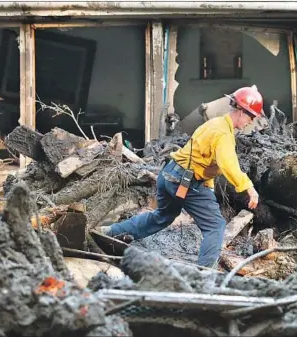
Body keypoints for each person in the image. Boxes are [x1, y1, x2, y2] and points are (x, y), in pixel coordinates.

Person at [101, 85, 264, 268]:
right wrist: (249, 188)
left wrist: (208, 186)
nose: (251, 121)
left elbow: (202, 157)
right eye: (251, 116)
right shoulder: (223, 134)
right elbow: (229, 165)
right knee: (215, 226)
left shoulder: (215, 123)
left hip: (169, 173)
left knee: (163, 215)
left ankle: (110, 232)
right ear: (241, 111)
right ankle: (204, 274)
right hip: (185, 181)